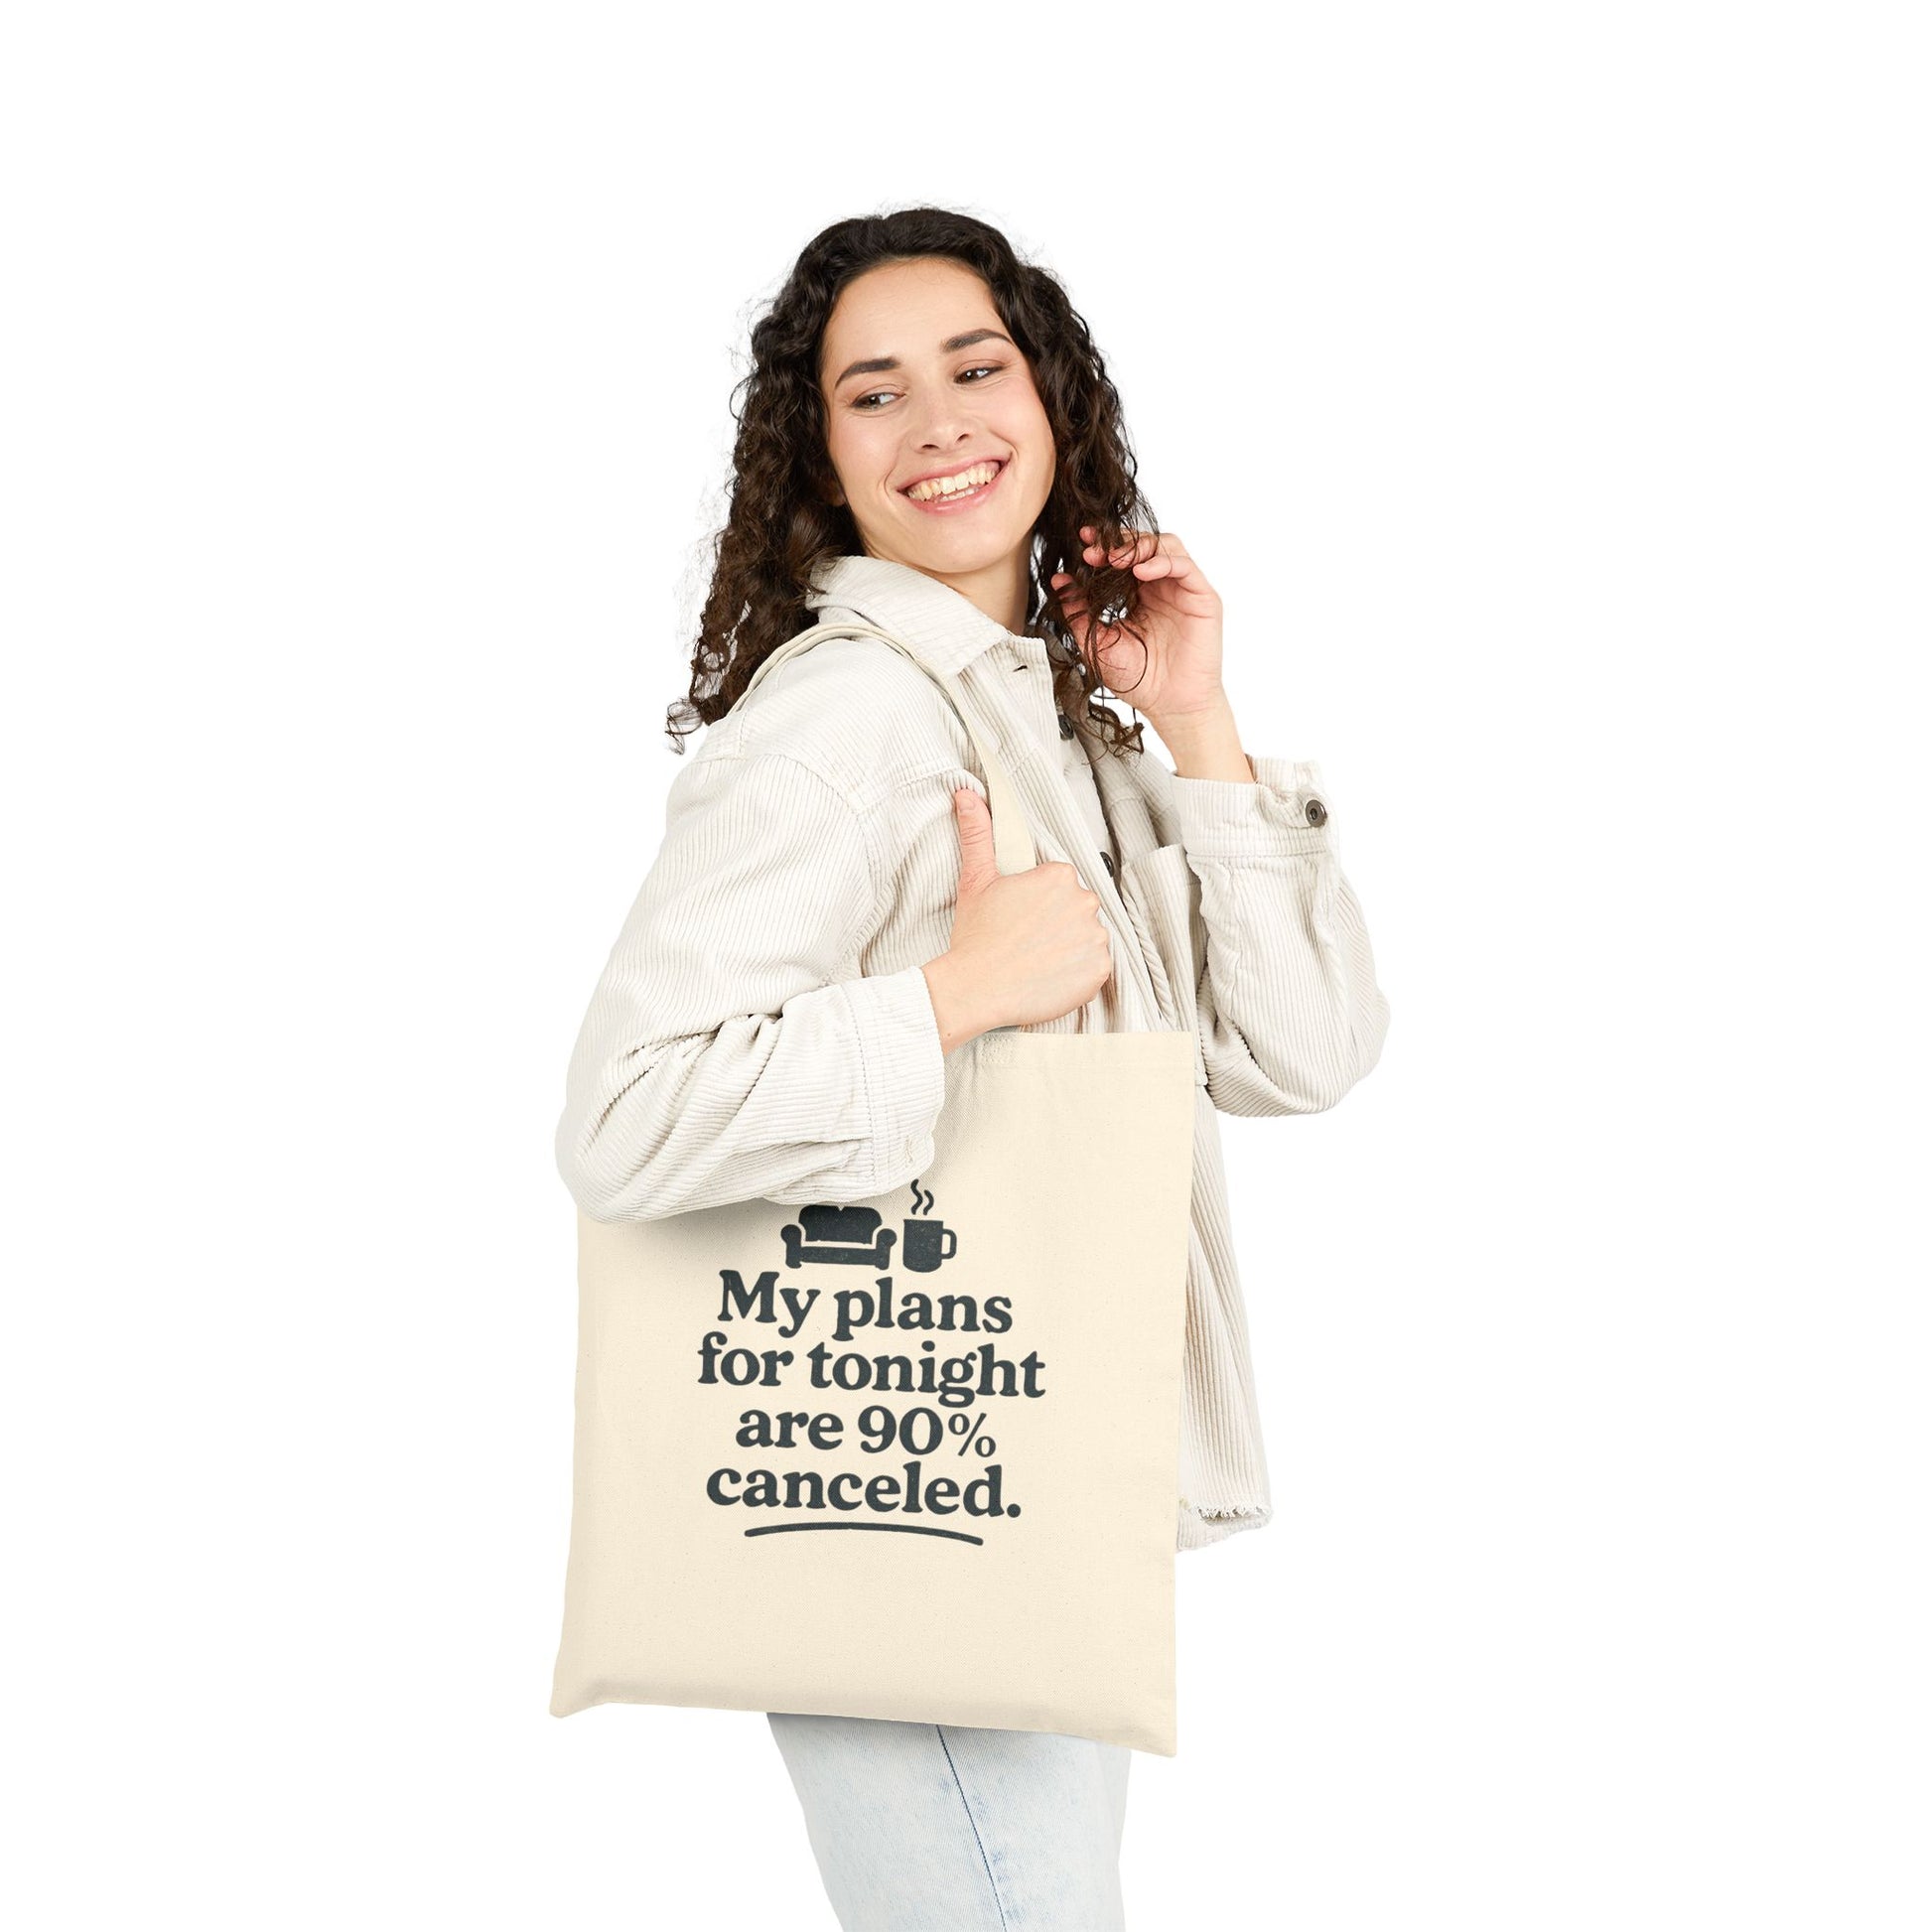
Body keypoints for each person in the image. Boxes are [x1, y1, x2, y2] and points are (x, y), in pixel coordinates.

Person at [554, 206, 1391, 1931]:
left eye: (975, 365)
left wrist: (1201, 729)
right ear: (824, 465)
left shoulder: (1045, 721)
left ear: (1054, 402)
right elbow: (623, 1117)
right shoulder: (845, 720)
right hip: (900, 1481)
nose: (937, 419)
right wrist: (949, 997)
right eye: (873, 393)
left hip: (1017, 1454)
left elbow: (1300, 1056)